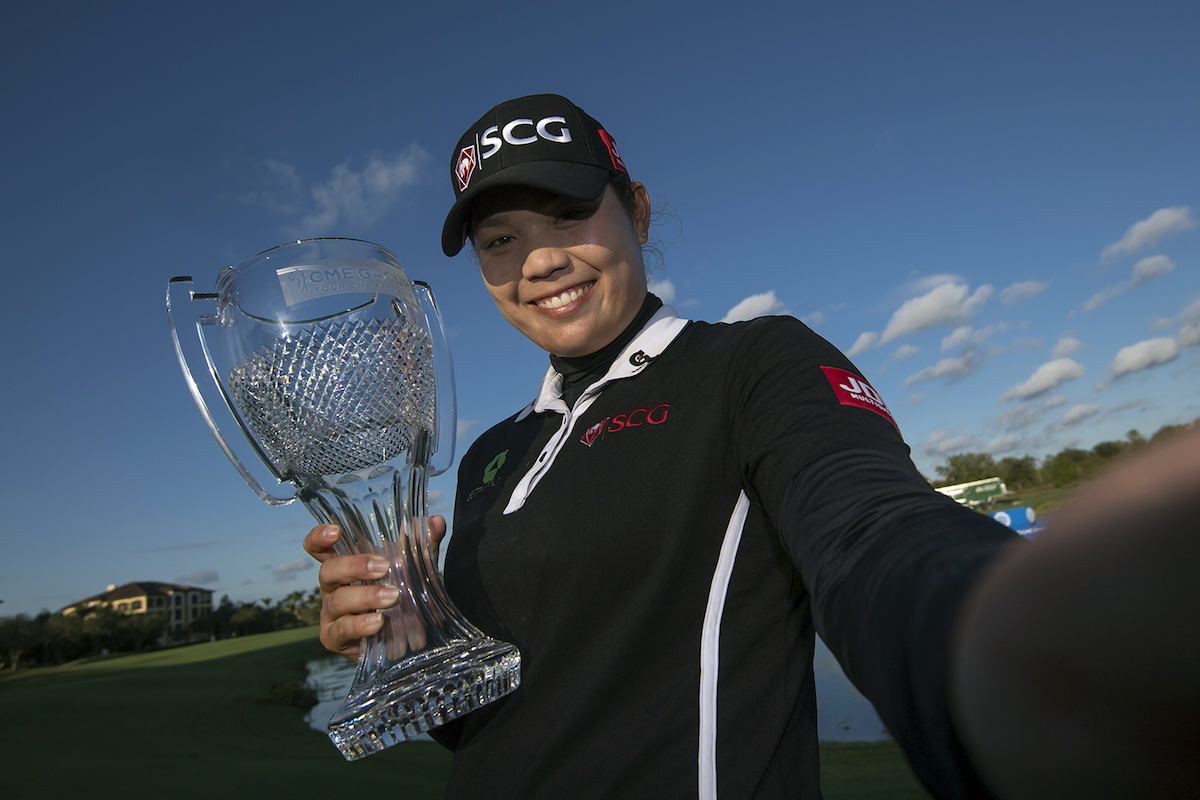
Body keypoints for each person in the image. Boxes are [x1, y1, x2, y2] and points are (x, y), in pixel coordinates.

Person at [302, 94, 1198, 799]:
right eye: (501, 240)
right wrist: (413, 648)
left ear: (638, 211)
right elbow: (496, 719)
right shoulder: (488, 457)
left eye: (568, 213)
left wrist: (1003, 645)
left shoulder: (751, 363)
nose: (538, 261)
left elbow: (867, 526)